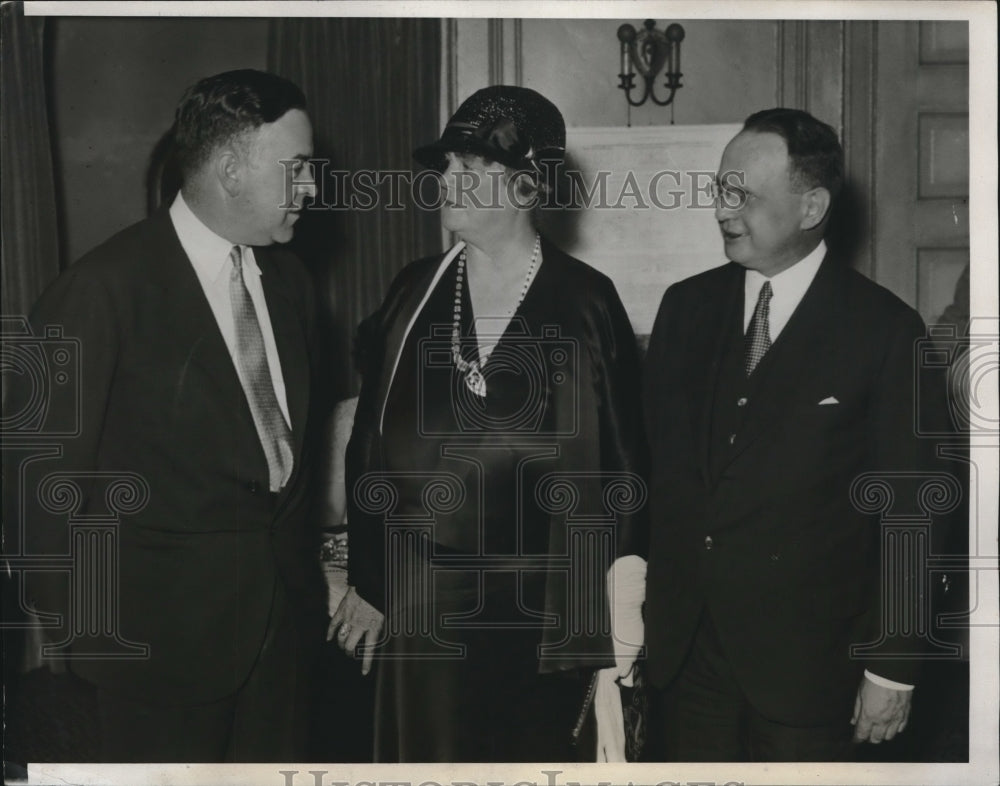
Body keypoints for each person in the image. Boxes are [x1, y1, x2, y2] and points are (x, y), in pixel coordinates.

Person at [15, 69, 325, 761]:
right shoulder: (101, 289)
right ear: (229, 168)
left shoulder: (293, 284)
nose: (311, 189)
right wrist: (79, 638)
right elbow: (43, 480)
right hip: (154, 653)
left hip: (281, 640)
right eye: (297, 169)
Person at [331, 85, 648, 762]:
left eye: (471, 168)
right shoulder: (413, 291)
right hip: (422, 607)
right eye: (447, 167)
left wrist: (619, 620)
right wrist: (371, 581)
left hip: (541, 610)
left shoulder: (585, 302)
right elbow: (369, 448)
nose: (448, 181)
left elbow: (623, 467)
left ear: (528, 186)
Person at [643, 108, 940, 761]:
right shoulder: (684, 308)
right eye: (719, 189)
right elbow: (656, 475)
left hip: (812, 672)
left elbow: (913, 513)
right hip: (685, 658)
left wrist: (894, 666)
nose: (722, 210)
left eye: (740, 194)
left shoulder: (886, 330)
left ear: (811, 207)